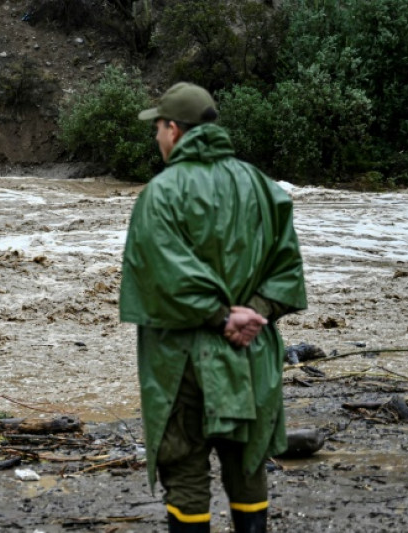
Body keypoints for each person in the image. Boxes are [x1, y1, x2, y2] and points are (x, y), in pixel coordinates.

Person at [119, 82, 307, 533]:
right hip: (251, 351)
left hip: (181, 359)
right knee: (248, 465)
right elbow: (288, 272)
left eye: (158, 128)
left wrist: (223, 318)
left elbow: (163, 276)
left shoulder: (161, 193)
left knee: (184, 468)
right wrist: (251, 314)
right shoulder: (263, 187)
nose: (157, 139)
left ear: (173, 130)